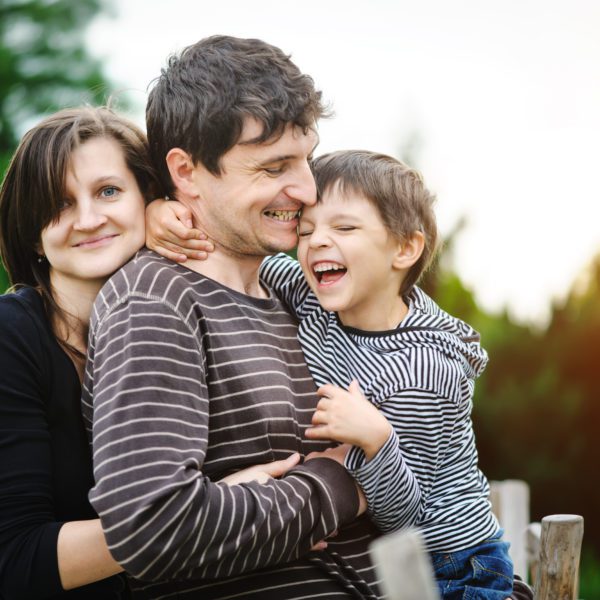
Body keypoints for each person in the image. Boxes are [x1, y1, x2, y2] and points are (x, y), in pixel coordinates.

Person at [82, 36, 380, 600]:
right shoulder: (156, 300)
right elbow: (152, 529)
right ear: (187, 173)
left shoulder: (296, 289)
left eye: (306, 159)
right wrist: (333, 486)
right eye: (273, 168)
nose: (307, 189)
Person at [147, 150, 519, 600]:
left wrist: (377, 441)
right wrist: (164, 216)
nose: (316, 241)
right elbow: (241, 255)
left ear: (405, 248)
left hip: (452, 564)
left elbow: (406, 517)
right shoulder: (311, 292)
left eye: (343, 227)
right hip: (386, 560)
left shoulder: (422, 371)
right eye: (306, 230)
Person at [0, 106, 158, 598]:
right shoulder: (10, 336)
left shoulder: (175, 318)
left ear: (148, 200)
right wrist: (206, 515)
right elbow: (16, 559)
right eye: (59, 202)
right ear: (32, 232)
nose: (88, 220)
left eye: (108, 191)